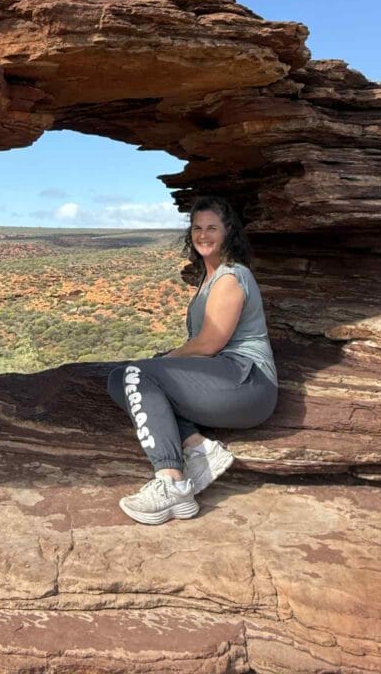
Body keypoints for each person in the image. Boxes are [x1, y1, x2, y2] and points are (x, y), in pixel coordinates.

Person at [106, 195, 277, 525]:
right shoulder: (209, 278)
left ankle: (172, 483)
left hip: (247, 380)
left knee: (137, 374)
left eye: (212, 227)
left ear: (228, 232)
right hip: (225, 379)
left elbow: (210, 342)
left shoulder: (230, 277)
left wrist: (162, 360)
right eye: (197, 227)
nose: (203, 234)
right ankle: (197, 449)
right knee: (121, 378)